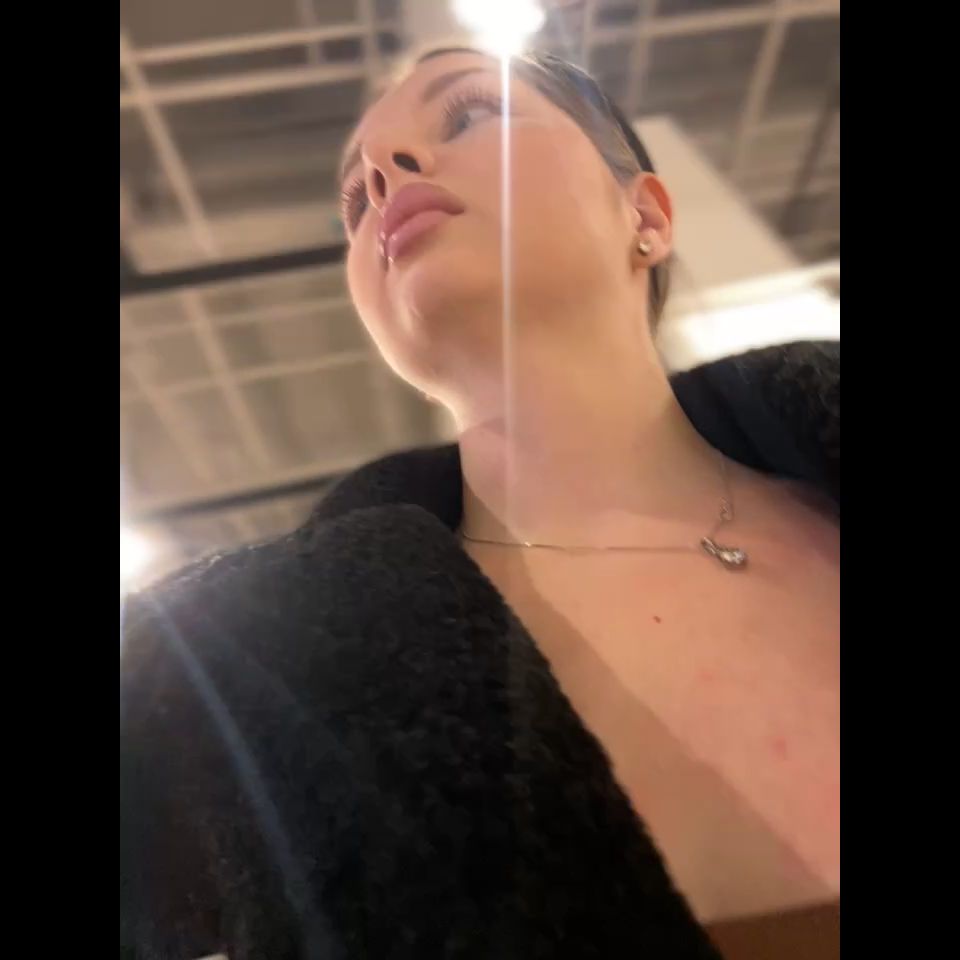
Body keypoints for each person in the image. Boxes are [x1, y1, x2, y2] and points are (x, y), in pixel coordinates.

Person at [120, 47, 839, 960]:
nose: (383, 174)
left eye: (467, 114)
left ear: (647, 216)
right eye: (356, 200)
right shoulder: (235, 672)